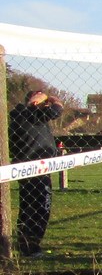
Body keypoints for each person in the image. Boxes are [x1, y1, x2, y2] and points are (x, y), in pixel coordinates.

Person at [8, 89, 62, 258]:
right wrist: (54, 100)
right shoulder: (30, 115)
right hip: (36, 170)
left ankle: (25, 244)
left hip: (31, 169)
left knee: (28, 208)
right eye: (44, 103)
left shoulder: (26, 117)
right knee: (40, 208)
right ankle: (31, 247)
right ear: (36, 102)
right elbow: (56, 110)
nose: (47, 106)